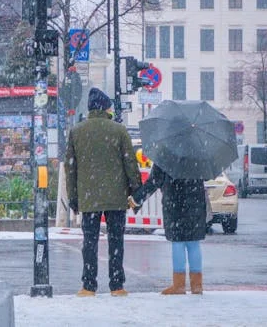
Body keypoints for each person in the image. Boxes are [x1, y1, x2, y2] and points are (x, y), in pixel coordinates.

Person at [65, 87, 142, 297]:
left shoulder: (77, 132)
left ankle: (88, 285)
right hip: (116, 197)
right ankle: (117, 285)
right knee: (116, 240)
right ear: (105, 107)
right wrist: (136, 191)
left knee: (89, 241)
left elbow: (70, 168)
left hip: (88, 197)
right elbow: (130, 164)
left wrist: (73, 197)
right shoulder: (118, 130)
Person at [128, 163, 208, 295]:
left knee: (178, 243)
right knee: (194, 242)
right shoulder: (197, 155)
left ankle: (179, 284)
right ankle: (197, 285)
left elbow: (153, 182)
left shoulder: (165, 156)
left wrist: (136, 199)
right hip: (196, 202)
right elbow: (206, 176)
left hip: (175, 202)